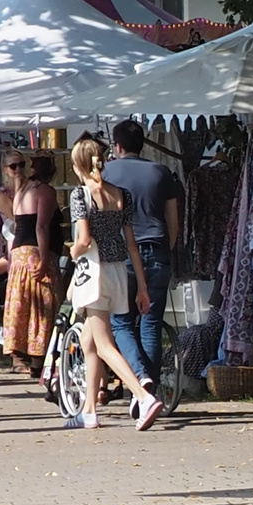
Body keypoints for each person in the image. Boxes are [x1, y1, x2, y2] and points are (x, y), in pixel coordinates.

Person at [65, 137, 163, 431]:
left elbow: (83, 240)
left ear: (77, 165)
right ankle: (89, 410)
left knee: (105, 343)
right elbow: (131, 243)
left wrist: (72, 251)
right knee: (88, 341)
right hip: (119, 270)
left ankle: (143, 396)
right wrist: (142, 286)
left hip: (93, 272)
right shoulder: (122, 195)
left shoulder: (80, 196)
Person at [102, 119, 182, 393]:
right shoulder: (161, 172)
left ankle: (136, 381)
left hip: (122, 255)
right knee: (151, 323)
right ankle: (151, 388)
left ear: (118, 145)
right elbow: (174, 222)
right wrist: (166, 248)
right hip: (157, 251)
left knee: (121, 320)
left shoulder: (107, 172)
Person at [0, 151, 60, 373]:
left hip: (19, 254)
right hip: (36, 250)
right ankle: (37, 357)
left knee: (21, 303)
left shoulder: (22, 191)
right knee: (40, 305)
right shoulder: (45, 192)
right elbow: (41, 226)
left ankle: (18, 355)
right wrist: (44, 259)